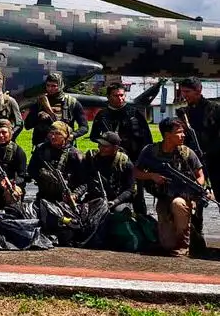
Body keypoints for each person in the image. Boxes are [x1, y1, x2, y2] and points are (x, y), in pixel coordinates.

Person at [135, 117, 209, 257]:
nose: (183, 135)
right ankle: (192, 234)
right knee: (167, 245)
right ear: (168, 135)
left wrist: (195, 187)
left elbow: (200, 175)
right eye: (179, 132)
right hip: (163, 197)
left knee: (178, 204)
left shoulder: (186, 153)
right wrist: (152, 176)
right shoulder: (151, 151)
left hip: (182, 197)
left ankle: (183, 246)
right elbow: (136, 172)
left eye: (183, 132)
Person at [89, 82, 153, 214]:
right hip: (109, 160)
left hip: (133, 160)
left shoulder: (134, 113)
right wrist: (107, 142)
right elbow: (93, 136)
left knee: (137, 195)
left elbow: (147, 139)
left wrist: (145, 161)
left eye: (122, 95)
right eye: (116, 96)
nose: (120, 98)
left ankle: (141, 225)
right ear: (108, 97)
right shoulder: (102, 115)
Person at [177, 76, 220, 252]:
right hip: (193, 163)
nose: (184, 95)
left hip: (216, 161)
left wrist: (209, 151)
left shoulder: (215, 110)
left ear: (199, 90)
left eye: (188, 92)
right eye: (182, 92)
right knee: (195, 199)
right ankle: (196, 238)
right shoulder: (183, 112)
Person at [27, 121, 87, 204]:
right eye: (51, 133)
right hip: (44, 197)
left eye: (57, 134)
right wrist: (42, 174)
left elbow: (84, 182)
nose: (53, 136)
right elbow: (31, 170)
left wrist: (75, 195)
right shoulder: (41, 150)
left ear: (66, 135)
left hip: (67, 199)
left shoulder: (75, 155)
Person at [24, 72, 88, 148]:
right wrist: (38, 116)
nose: (50, 88)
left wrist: (72, 135)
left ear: (60, 86)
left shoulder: (72, 103)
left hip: (65, 145)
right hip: (42, 146)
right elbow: (27, 126)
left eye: (54, 86)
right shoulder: (39, 102)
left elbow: (84, 127)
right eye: (48, 85)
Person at [83, 131, 135, 213]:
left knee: (119, 212)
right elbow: (84, 181)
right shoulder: (92, 159)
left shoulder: (125, 163)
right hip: (95, 198)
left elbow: (130, 190)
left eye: (105, 146)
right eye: (100, 144)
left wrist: (115, 202)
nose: (100, 147)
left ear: (115, 148)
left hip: (116, 200)